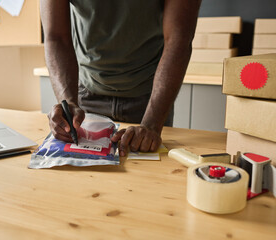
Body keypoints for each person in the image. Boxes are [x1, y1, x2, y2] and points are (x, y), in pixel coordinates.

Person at [41, 0, 201, 157]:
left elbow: (178, 39)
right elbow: (56, 37)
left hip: (150, 100)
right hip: (86, 95)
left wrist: (152, 124)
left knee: (148, 178)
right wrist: (68, 103)